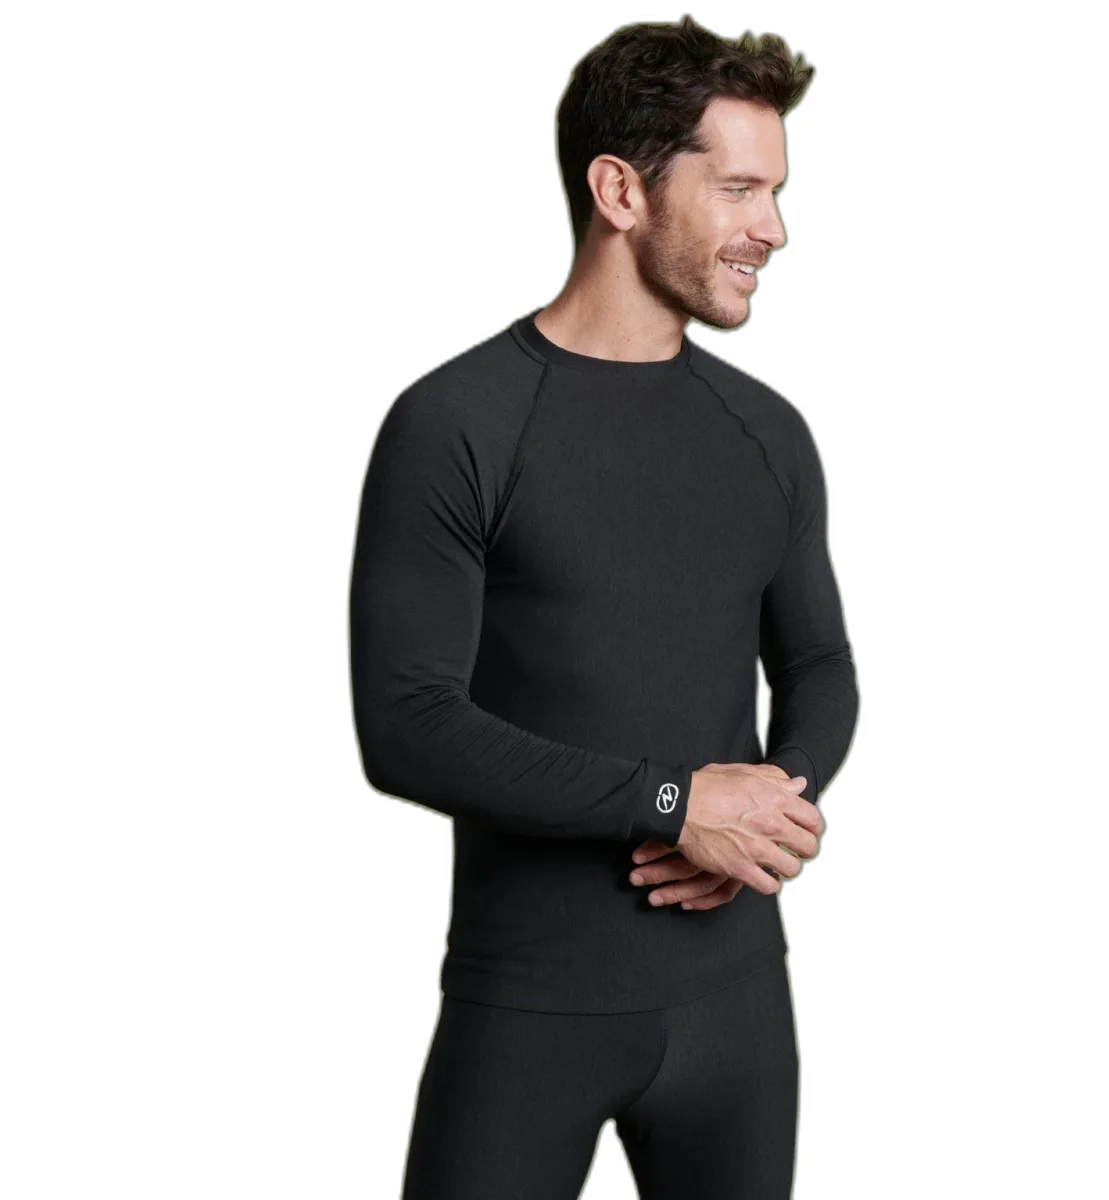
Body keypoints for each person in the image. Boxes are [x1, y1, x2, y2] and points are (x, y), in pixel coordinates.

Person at [349, 15, 859, 1198]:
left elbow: (820, 667)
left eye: (776, 192)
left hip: (738, 1010)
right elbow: (407, 723)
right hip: (529, 1013)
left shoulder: (766, 436)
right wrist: (677, 803)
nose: (774, 229)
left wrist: (767, 811)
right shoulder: (458, 424)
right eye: (738, 189)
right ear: (621, 190)